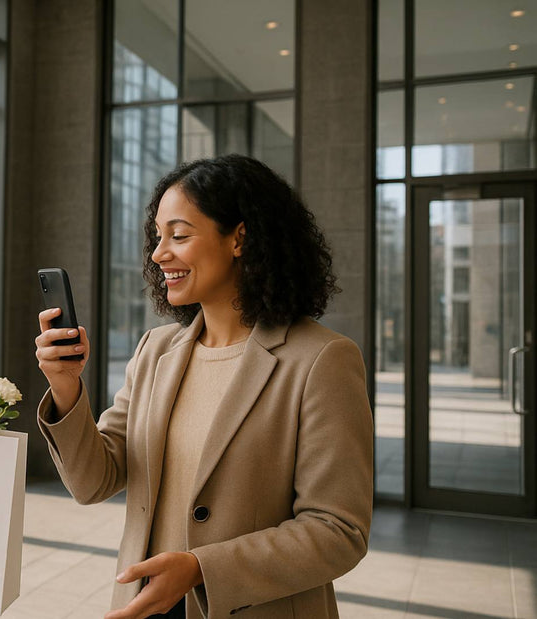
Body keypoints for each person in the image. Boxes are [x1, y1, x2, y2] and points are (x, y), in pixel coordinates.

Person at [34, 155, 373, 619]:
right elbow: (95, 481)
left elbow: (338, 530)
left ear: (239, 238)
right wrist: (66, 387)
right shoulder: (156, 349)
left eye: (179, 235)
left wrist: (201, 568)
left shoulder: (321, 360)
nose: (158, 254)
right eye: (158, 237)